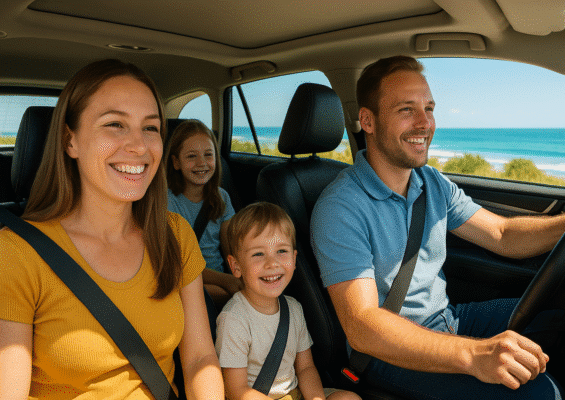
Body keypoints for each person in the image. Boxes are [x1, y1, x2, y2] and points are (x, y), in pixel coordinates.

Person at [310, 55, 565, 400]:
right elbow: (363, 326)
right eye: (407, 109)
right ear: (368, 120)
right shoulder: (341, 207)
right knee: (537, 393)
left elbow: (503, 235)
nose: (425, 123)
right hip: (386, 352)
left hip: (448, 319)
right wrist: (474, 355)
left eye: (429, 108)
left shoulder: (430, 181)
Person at [0, 59, 224, 399]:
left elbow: (199, 359)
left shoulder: (174, 235)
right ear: (70, 141)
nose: (138, 146)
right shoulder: (16, 253)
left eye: (150, 128)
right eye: (115, 124)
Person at [216, 202, 361, 400]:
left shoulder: (293, 308)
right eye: (258, 254)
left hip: (295, 394)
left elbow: (305, 368)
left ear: (294, 259)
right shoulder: (234, 318)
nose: (272, 263)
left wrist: (316, 398)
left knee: (349, 398)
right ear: (236, 266)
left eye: (281, 251)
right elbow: (236, 390)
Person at [166, 119, 241, 308]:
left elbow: (230, 250)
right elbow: (179, 265)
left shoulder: (221, 197)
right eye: (191, 156)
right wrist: (228, 282)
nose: (201, 163)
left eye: (208, 154)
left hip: (219, 281)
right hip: (183, 281)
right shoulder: (167, 201)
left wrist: (239, 276)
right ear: (176, 162)